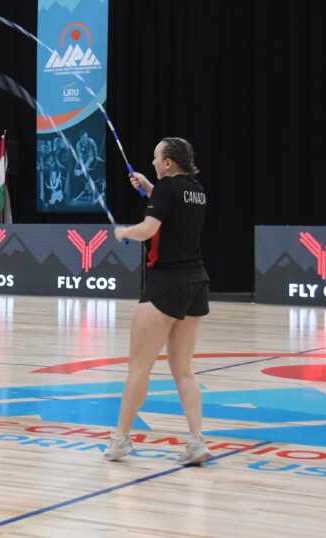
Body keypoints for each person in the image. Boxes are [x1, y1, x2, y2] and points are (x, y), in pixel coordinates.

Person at [105, 137, 211, 466]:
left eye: (156, 159)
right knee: (183, 370)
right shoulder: (196, 189)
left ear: (168, 163)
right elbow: (173, 210)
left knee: (139, 366)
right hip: (197, 282)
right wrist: (151, 188)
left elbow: (150, 229)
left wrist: (124, 232)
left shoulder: (168, 188)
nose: (152, 163)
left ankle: (121, 438)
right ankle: (196, 442)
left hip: (166, 283)